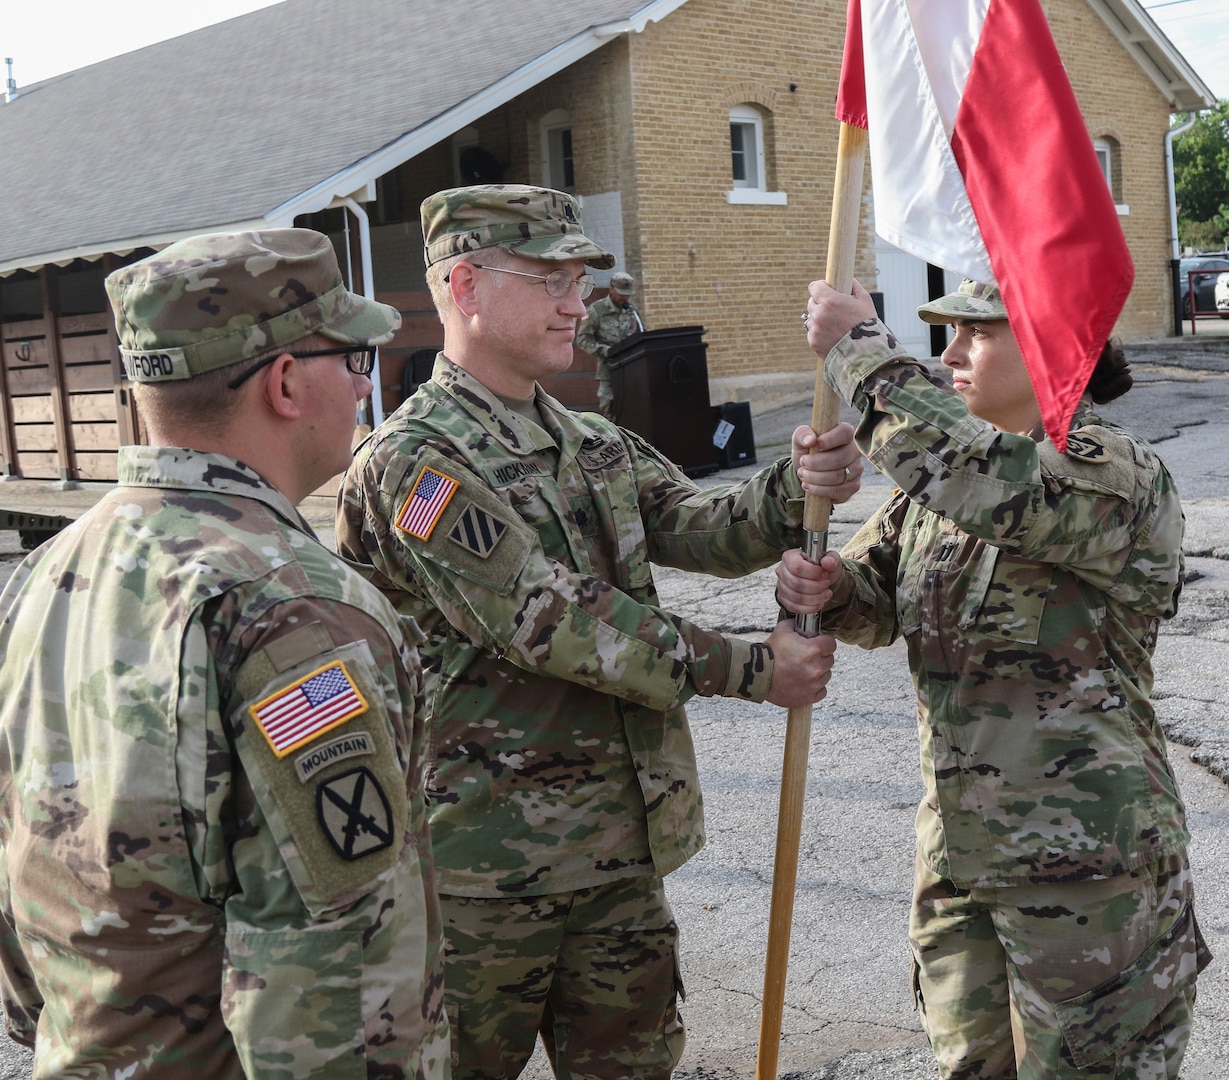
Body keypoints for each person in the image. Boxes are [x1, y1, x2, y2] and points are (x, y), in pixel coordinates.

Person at [335, 183, 861, 1080]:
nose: (576, 302)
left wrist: (799, 482)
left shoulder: (591, 440)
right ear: (463, 285)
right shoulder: (417, 462)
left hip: (619, 858)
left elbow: (707, 526)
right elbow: (545, 618)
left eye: (578, 278)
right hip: (483, 874)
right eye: (548, 278)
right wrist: (749, 668)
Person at [0, 229, 450, 1079]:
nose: (365, 384)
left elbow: (19, 858)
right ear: (285, 382)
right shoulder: (295, 608)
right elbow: (339, 993)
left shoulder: (43, 573)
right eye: (354, 358)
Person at [780, 276, 1211, 1079]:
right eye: (948, 335)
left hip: (1088, 875)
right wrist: (826, 586)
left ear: (1052, 346)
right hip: (959, 859)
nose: (949, 355)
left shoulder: (1113, 472)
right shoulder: (936, 494)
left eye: (976, 333)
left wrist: (859, 354)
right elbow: (876, 600)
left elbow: (991, 481)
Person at [575, 269, 642, 417]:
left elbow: (642, 336)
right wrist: (605, 351)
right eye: (621, 293)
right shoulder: (597, 310)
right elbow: (582, 339)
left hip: (634, 371)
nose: (624, 297)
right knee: (612, 412)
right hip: (609, 372)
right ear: (611, 288)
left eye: (627, 293)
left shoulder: (632, 311)